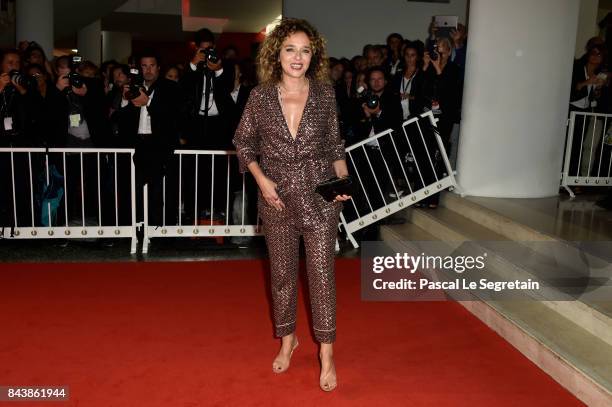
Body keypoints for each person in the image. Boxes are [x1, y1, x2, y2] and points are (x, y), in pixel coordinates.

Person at [232, 18, 350, 392]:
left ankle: (326, 353)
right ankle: (288, 341)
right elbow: (243, 142)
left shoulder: (325, 94)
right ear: (277, 53)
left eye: (305, 50)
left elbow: (335, 145)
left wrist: (342, 184)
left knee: (321, 275)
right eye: (290, 49)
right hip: (276, 199)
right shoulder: (260, 97)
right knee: (282, 277)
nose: (297, 57)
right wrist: (262, 180)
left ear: (313, 56)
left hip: (320, 199)